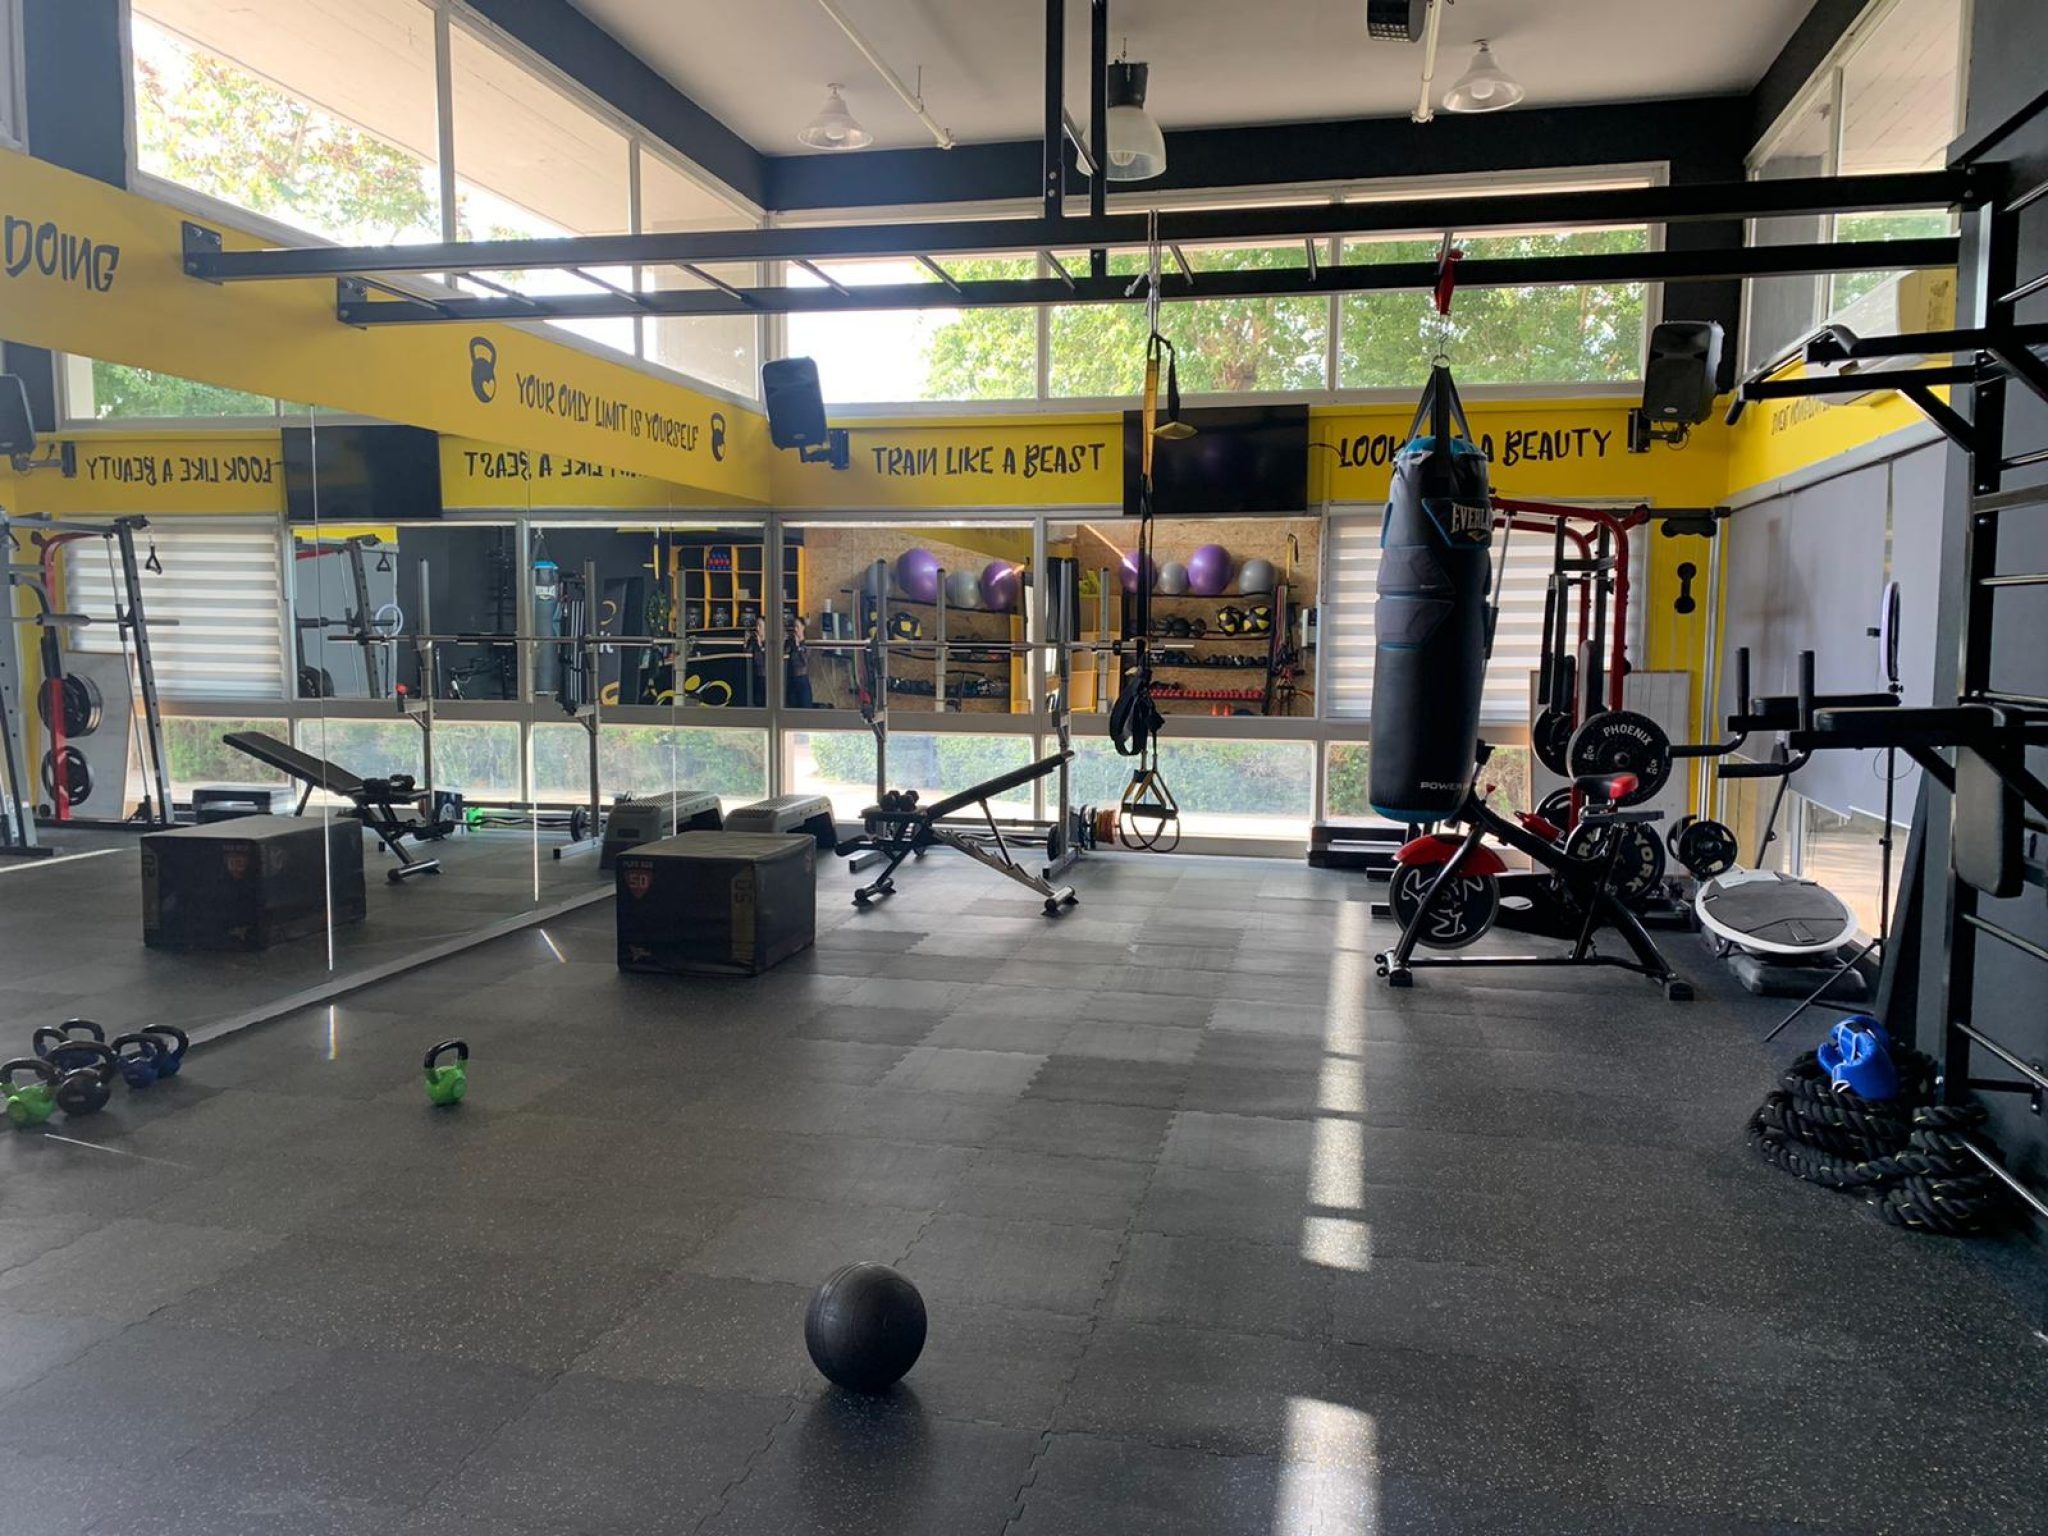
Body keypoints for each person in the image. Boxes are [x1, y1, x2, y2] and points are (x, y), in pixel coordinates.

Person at [785, 613, 816, 708]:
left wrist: (798, 646)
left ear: (803, 628)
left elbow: (804, 661)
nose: (795, 629)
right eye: (794, 627)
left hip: (802, 679)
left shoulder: (806, 643)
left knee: (805, 707)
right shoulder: (791, 643)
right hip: (791, 679)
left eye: (797, 627)